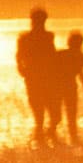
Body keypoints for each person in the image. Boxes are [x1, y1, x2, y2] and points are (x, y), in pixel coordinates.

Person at [16, 7, 58, 143]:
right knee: (39, 107)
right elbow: (19, 55)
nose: (40, 23)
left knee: (53, 111)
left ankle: (46, 132)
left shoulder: (48, 36)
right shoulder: (25, 38)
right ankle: (41, 133)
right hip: (34, 75)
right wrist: (21, 69)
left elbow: (52, 55)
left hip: (47, 75)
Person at [56, 32, 83, 145]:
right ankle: (72, 138)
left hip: (61, 87)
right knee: (70, 115)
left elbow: (80, 74)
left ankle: (70, 138)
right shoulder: (78, 55)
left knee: (62, 115)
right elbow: (80, 74)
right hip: (68, 87)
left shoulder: (61, 54)